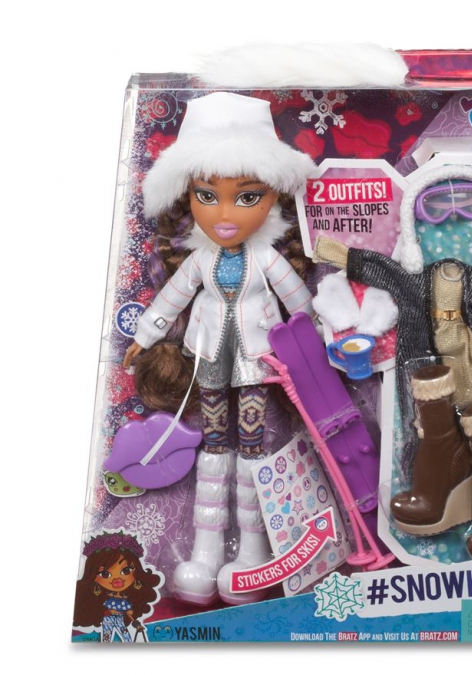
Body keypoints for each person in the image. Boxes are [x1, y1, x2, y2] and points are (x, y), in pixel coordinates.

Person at [123, 92, 315, 605]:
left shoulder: (267, 259)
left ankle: (251, 551)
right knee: (214, 446)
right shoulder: (199, 260)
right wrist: (143, 337)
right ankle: (205, 551)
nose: (225, 214)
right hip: (208, 359)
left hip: (256, 361)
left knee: (251, 446)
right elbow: (170, 299)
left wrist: (322, 340)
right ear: (187, 196)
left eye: (247, 197)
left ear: (274, 198)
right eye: (207, 195)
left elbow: (301, 304)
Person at [73, 532, 161, 642]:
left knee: (126, 637)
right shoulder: (104, 599)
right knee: (106, 638)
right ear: (93, 577)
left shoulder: (125, 599)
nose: (117, 581)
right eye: (105, 574)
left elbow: (129, 613)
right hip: (107, 619)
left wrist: (136, 623)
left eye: (126, 570)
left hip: (120, 619)